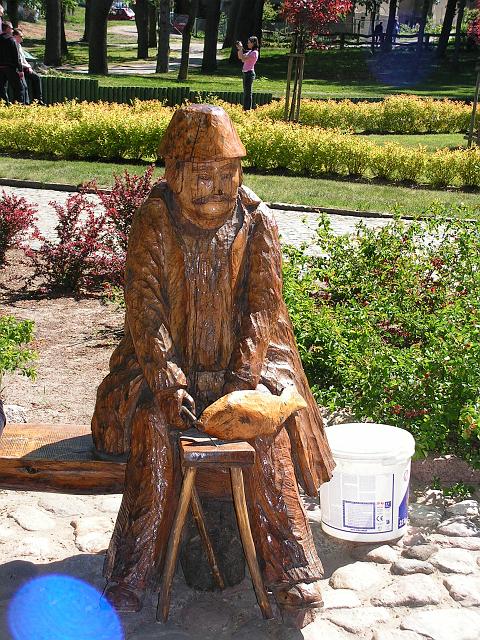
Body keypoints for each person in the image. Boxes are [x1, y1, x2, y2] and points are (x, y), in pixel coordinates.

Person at [91, 104, 334, 626]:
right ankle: (132, 569)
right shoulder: (155, 219)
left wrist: (241, 382)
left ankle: (290, 566)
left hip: (247, 365)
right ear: (175, 172)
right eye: (205, 174)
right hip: (159, 369)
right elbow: (145, 306)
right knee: (153, 431)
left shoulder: (256, 220)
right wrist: (166, 379)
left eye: (229, 172)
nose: (219, 186)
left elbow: (262, 308)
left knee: (263, 430)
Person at [12, 29, 43, 104]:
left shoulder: (19, 45)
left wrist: (29, 67)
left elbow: (23, 59)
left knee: (36, 77)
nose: (22, 39)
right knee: (24, 85)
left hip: (24, 67)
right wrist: (26, 66)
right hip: (17, 68)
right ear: (15, 36)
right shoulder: (12, 45)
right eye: (21, 36)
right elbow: (16, 61)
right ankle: (25, 103)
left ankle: (38, 100)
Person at [0, 21, 27, 104]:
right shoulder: (11, 40)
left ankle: (4, 105)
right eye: (11, 28)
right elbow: (16, 56)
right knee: (19, 88)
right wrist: (20, 70)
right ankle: (18, 106)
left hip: (0, 69)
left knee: (2, 89)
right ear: (7, 29)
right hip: (10, 68)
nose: (12, 30)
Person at [236, 36, 259, 111]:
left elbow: (243, 58)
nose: (247, 44)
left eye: (249, 42)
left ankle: (247, 110)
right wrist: (240, 49)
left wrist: (241, 48)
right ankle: (246, 109)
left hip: (249, 74)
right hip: (246, 73)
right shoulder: (250, 52)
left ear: (253, 43)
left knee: (248, 93)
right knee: (246, 92)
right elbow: (240, 58)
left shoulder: (254, 53)